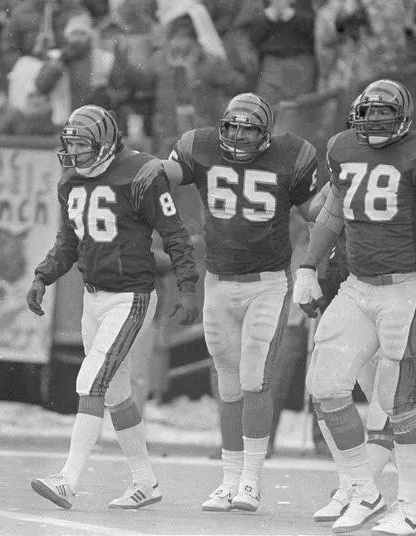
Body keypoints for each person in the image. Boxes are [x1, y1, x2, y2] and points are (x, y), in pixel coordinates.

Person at [293, 79, 416, 535]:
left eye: (386, 117)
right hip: (357, 285)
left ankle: (411, 505)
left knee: (398, 401)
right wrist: (308, 266)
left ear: (404, 120)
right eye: (369, 116)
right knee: (325, 386)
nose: (375, 125)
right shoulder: (343, 147)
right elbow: (332, 212)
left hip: (408, 286)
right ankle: (364, 489)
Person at [26, 104, 200, 510]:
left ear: (104, 145)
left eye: (81, 145)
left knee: (91, 382)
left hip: (131, 297)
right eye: (69, 144)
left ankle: (68, 479)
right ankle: (145, 481)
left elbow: (174, 235)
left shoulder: (141, 173)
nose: (73, 153)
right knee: (115, 394)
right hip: (94, 297)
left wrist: (188, 288)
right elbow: (69, 242)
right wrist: (43, 276)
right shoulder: (71, 181)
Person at [163, 92, 321, 512]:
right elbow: (168, 174)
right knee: (228, 384)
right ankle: (228, 478)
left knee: (254, 379)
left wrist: (341, 200)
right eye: (232, 126)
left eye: (249, 128)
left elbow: (316, 212)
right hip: (218, 281)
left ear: (265, 132)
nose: (238, 135)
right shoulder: (201, 145)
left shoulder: (291, 155)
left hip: (267, 283)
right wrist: (131, 167)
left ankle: (251, 480)